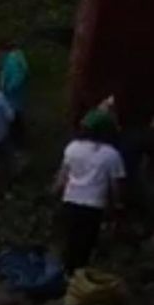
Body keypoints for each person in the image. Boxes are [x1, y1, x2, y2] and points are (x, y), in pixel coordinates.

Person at [51, 110, 126, 274]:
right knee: (85, 244)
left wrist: (54, 193)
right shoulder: (111, 155)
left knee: (70, 240)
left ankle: (66, 274)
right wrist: (117, 206)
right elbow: (115, 186)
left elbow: (62, 177)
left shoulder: (72, 148)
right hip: (94, 206)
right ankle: (78, 277)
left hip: (70, 201)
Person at [0, 40, 30, 147]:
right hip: (16, 95)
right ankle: (20, 140)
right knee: (17, 116)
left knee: (14, 118)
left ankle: (17, 142)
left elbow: (17, 77)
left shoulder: (12, 59)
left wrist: (7, 88)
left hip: (12, 95)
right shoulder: (17, 57)